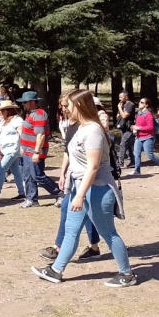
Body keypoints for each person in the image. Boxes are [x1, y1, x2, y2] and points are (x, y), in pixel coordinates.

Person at [31, 89, 135, 287]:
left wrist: (79, 196)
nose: (65, 108)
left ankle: (127, 274)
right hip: (79, 188)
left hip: (97, 189)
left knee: (108, 233)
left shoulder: (94, 130)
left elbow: (93, 167)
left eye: (68, 105)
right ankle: (56, 270)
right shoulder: (79, 127)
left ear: (79, 105)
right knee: (71, 231)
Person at [40, 91, 101, 263]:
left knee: (72, 209)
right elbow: (69, 151)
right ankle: (93, 246)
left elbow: (95, 162)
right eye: (62, 105)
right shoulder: (72, 125)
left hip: (90, 179)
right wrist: (62, 173)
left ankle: (59, 248)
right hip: (74, 177)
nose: (63, 109)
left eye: (67, 105)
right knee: (84, 213)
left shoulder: (92, 127)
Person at [17, 91, 61, 207]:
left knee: (37, 175)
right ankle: (31, 199)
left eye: (25, 102)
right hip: (27, 150)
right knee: (27, 175)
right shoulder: (30, 114)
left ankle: (60, 193)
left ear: (32, 102)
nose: (23, 105)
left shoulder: (39, 114)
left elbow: (40, 135)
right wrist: (23, 146)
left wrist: (36, 152)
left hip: (35, 151)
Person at [0, 100, 25, 200]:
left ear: (8, 110)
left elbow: (21, 133)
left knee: (1, 168)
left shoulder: (17, 120)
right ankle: (22, 193)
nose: (1, 112)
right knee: (16, 171)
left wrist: (22, 146)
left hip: (13, 149)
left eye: (3, 110)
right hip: (6, 149)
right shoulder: (4, 121)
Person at [131, 98, 159, 175]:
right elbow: (139, 125)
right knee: (136, 154)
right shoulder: (139, 113)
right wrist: (134, 127)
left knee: (149, 155)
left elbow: (150, 127)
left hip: (148, 137)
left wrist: (139, 128)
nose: (139, 103)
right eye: (139, 101)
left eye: (142, 102)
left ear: (146, 105)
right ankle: (137, 170)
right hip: (138, 137)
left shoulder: (148, 114)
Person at [115, 91, 136, 169]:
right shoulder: (122, 104)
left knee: (123, 144)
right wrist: (120, 110)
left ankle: (121, 163)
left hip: (129, 128)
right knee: (129, 145)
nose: (119, 99)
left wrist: (120, 108)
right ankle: (133, 162)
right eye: (119, 97)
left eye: (121, 97)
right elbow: (118, 115)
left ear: (126, 97)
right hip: (123, 127)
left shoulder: (130, 105)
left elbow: (124, 116)